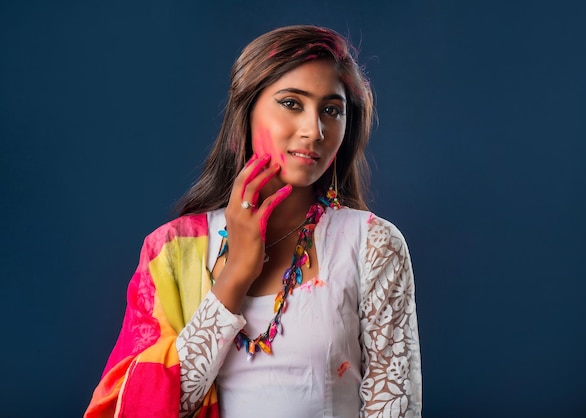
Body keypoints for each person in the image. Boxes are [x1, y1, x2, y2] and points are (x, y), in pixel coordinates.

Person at [85, 25, 421, 418]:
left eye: (331, 110)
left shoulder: (372, 244)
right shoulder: (172, 251)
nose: (314, 130)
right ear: (247, 110)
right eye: (292, 103)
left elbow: (394, 406)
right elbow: (146, 408)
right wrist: (236, 275)